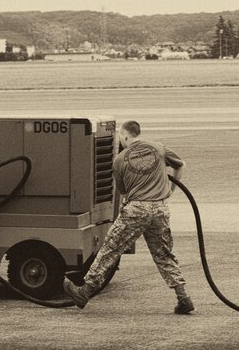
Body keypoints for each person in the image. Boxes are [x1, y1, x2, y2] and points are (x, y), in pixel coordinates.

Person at [63, 120, 194, 314]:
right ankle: (183, 296)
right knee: (163, 254)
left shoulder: (119, 159)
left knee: (110, 250)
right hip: (160, 209)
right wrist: (169, 191)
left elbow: (123, 191)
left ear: (125, 135)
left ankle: (85, 291)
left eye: (120, 137)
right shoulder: (159, 148)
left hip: (136, 209)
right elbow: (180, 165)